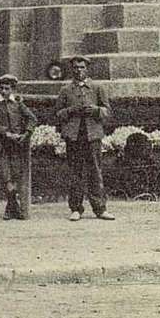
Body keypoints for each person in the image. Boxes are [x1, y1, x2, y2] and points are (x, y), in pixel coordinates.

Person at [55, 55, 115, 221]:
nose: (78, 70)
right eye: (75, 67)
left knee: (95, 171)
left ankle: (100, 208)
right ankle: (76, 208)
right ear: (71, 69)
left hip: (92, 134)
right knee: (75, 172)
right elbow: (57, 113)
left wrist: (96, 110)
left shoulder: (97, 88)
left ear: (87, 69)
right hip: (74, 136)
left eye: (81, 67)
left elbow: (108, 111)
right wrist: (71, 110)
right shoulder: (66, 90)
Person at [0, 74, 37, 220]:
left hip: (17, 146)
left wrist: (26, 133)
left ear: (12, 89)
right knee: (6, 177)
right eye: (1, 88)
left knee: (16, 176)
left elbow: (31, 118)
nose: (3, 91)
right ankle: (12, 205)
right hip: (1, 145)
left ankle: (11, 208)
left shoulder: (17, 103)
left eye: (7, 88)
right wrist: (6, 133)